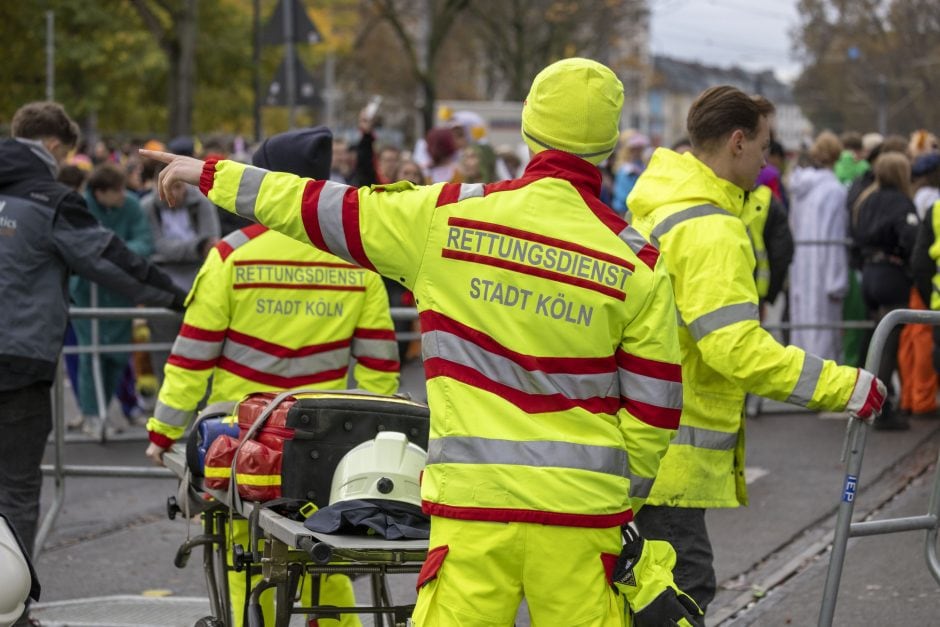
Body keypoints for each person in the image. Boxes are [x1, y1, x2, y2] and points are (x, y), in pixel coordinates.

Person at [146, 57, 687, 626]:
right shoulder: (636, 263)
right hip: (583, 520)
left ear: (529, 128)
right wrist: (615, 492)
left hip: (471, 513)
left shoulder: (444, 218)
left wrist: (211, 174)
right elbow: (656, 411)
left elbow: (321, 206)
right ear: (606, 146)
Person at [625, 85, 887, 614]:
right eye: (766, 146)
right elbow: (736, 348)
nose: (770, 159)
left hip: (641, 439)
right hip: (670, 457)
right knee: (680, 596)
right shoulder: (710, 227)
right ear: (738, 142)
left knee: (641, 596)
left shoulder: (662, 206)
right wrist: (846, 387)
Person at [145, 126, 397, 627]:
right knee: (326, 555)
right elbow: (379, 368)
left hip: (241, 442)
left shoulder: (232, 254)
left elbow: (193, 357)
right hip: (326, 441)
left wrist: (163, 432)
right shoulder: (356, 261)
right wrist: (370, 440)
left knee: (245, 558)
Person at [0, 102, 185, 575]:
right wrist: (179, 297)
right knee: (17, 490)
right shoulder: (50, 200)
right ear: (56, 146)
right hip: (17, 360)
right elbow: (108, 258)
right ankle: (11, 606)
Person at [69, 163, 156, 435]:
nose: (122, 195)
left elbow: (144, 242)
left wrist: (111, 254)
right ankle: (92, 414)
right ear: (100, 192)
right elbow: (75, 244)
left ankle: (104, 409)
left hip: (119, 291)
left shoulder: (131, 206)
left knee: (117, 356)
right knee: (89, 354)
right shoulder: (80, 206)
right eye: (116, 191)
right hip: (87, 291)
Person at [851, 151, 920, 430]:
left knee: (875, 341)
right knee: (889, 344)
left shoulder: (865, 201)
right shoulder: (901, 202)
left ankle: (866, 399)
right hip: (891, 274)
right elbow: (910, 237)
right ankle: (881, 407)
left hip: (868, 274)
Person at [788, 131, 849, 362]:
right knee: (825, 338)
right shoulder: (834, 191)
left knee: (804, 331)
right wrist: (837, 282)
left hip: (802, 266)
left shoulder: (801, 188)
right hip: (823, 272)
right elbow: (834, 239)